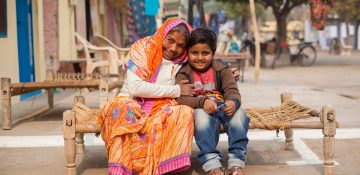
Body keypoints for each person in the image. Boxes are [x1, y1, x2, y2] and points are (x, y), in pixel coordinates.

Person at [97, 18, 196, 175]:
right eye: (170, 41)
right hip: (130, 102)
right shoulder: (141, 48)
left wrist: (224, 73)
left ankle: (164, 167)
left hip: (162, 107)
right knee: (119, 109)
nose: (173, 48)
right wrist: (176, 90)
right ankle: (122, 167)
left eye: (180, 45)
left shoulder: (183, 60)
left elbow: (205, 63)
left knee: (184, 112)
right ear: (162, 34)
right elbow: (136, 88)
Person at [175, 28, 250, 175]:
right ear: (187, 53)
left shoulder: (222, 69)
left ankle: (236, 162)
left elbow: (232, 91)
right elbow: (182, 98)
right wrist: (202, 103)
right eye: (194, 53)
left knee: (240, 116)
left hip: (222, 105)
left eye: (205, 53)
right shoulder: (184, 72)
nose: (200, 57)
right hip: (200, 108)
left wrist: (233, 102)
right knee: (201, 119)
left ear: (213, 53)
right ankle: (211, 163)